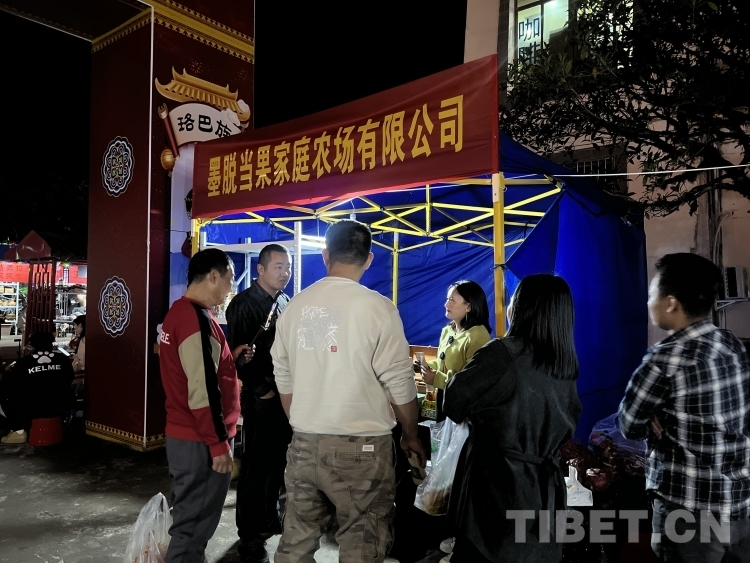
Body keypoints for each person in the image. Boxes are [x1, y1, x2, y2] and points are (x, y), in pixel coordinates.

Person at [271, 219, 426, 563]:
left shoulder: (295, 307)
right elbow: (399, 382)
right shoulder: (378, 308)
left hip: (304, 444)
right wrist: (410, 434)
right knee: (362, 544)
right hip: (362, 449)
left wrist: (304, 423)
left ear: (326, 255)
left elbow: (284, 377)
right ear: (369, 259)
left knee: (295, 542)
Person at [618, 253, 750, 563]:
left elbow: (629, 425)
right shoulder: (732, 345)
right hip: (739, 505)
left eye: (652, 294)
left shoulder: (664, 359)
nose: (648, 301)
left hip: (689, 515)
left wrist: (654, 414)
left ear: (671, 303)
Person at [443, 274, 581, 562]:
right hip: (545, 493)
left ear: (519, 308)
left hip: (496, 489)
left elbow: (454, 401)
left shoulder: (503, 353)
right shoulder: (565, 364)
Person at [159, 248, 253, 563]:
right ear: (213, 276)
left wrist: (229, 361)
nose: (231, 288)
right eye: (229, 279)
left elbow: (197, 372)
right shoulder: (194, 319)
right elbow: (202, 390)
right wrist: (218, 445)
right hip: (199, 440)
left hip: (187, 435)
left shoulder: (181, 312)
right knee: (193, 528)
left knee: (189, 522)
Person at [225, 243, 292, 563]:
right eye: (279, 267)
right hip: (260, 397)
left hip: (285, 395)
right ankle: (249, 535)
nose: (285, 273)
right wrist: (262, 390)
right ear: (261, 269)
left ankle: (269, 516)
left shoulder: (285, 301)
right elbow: (238, 356)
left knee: (277, 461)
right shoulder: (243, 304)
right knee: (255, 466)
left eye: (288, 267)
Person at [417, 279, 492, 413]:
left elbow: (472, 381)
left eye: (452, 300)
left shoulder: (478, 336)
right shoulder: (448, 331)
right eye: (447, 299)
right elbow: (442, 364)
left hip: (463, 409)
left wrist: (437, 378)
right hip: (442, 399)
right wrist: (425, 366)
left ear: (468, 307)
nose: (446, 304)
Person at [0, 331, 75, 444]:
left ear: (32, 345)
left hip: (32, 408)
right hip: (62, 405)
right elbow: (70, 378)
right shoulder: (62, 359)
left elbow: (12, 385)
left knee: (5, 394)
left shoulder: (24, 363)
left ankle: (18, 431)